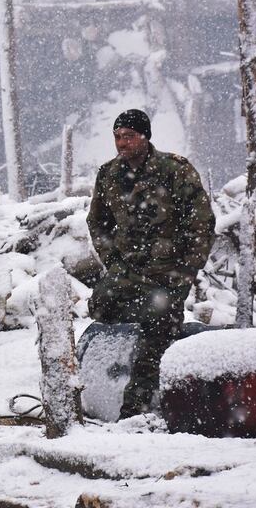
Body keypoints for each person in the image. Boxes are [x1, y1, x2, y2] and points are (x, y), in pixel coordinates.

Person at [86, 109, 215, 419]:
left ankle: (137, 409)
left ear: (145, 136)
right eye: (117, 137)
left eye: (128, 136)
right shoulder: (109, 174)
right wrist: (114, 263)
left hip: (167, 273)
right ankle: (154, 340)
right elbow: (97, 222)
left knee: (156, 324)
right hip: (128, 272)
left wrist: (185, 271)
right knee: (100, 307)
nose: (121, 143)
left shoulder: (174, 170)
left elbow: (201, 224)